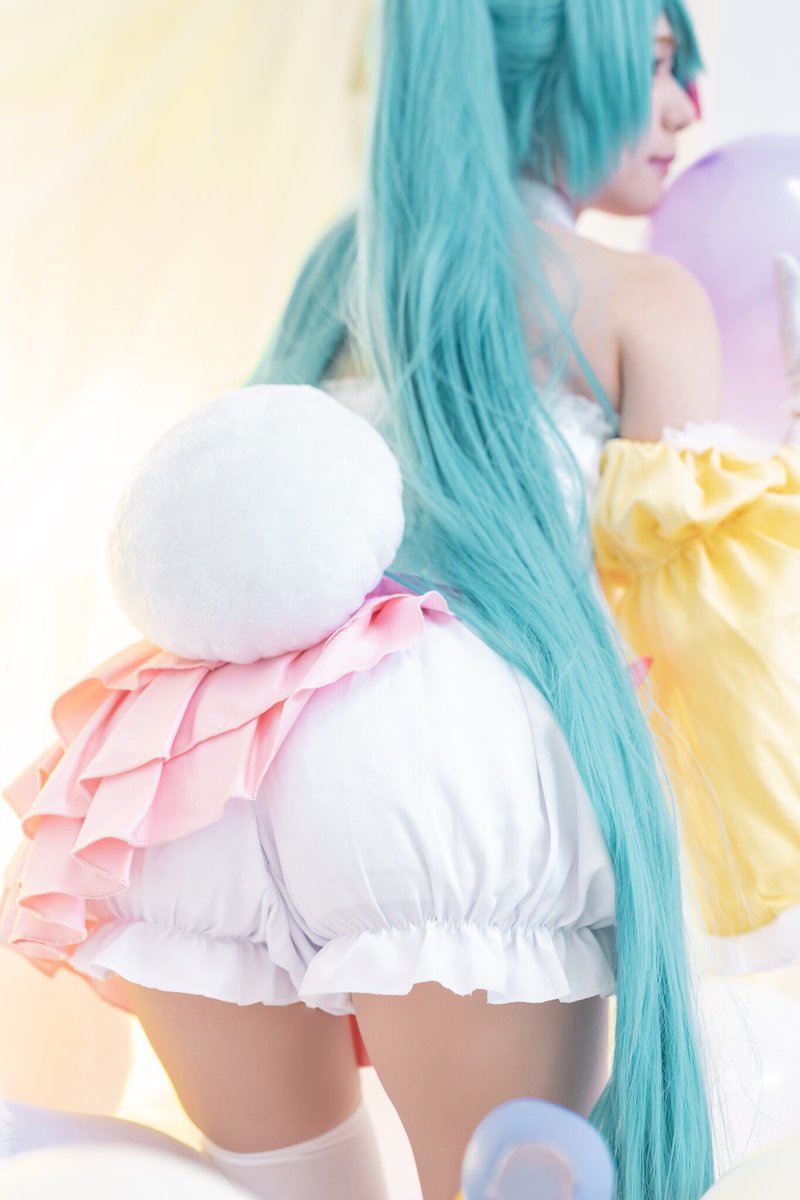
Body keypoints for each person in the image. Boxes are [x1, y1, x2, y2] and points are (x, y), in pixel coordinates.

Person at [1, 4, 719, 1199]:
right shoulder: (640, 296)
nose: (687, 105)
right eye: (653, 65)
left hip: (194, 766)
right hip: (438, 768)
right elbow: (700, 623)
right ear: (550, 73)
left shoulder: (343, 265)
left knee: (294, 1185)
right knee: (490, 1178)